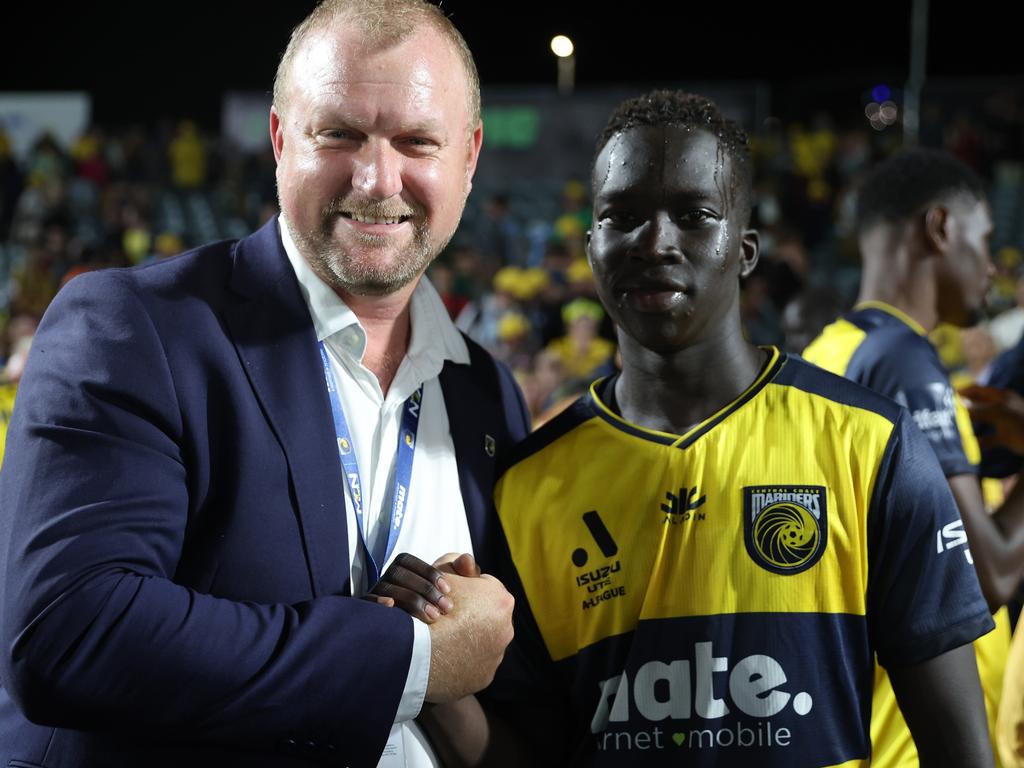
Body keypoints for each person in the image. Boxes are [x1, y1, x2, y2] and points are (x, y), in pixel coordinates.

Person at [0, 1, 528, 766]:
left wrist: (457, 692)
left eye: (417, 141)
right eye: (339, 134)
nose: (379, 179)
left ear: (470, 158)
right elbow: (69, 632)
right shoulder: (134, 328)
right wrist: (411, 661)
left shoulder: (487, 393)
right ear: (281, 141)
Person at [484, 90, 995, 766]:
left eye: (694, 215)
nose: (654, 242)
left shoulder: (873, 445)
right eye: (622, 216)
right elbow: (529, 748)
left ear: (745, 249)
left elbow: (962, 753)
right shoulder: (527, 486)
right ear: (592, 247)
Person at [802, 148, 1019, 765]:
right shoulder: (903, 360)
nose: (992, 267)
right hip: (915, 739)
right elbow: (988, 575)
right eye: (986, 237)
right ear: (941, 228)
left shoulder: (833, 351)